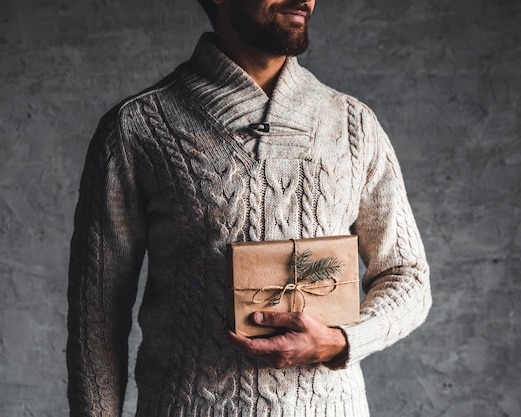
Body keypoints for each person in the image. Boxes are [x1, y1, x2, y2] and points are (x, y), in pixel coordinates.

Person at [66, 0, 432, 416]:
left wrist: (342, 341)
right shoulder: (138, 127)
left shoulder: (353, 125)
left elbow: (408, 277)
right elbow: (96, 315)